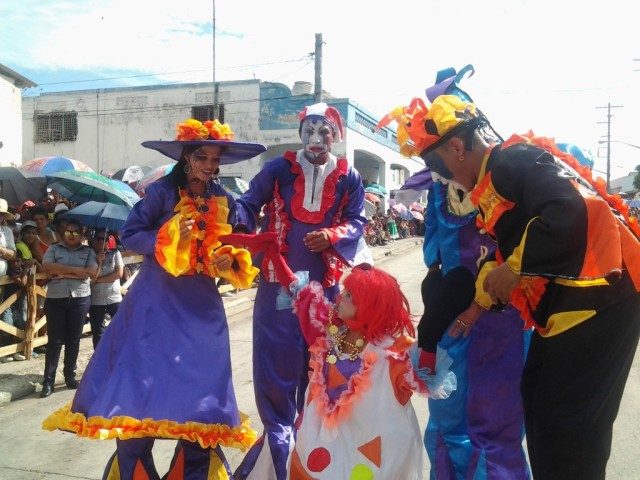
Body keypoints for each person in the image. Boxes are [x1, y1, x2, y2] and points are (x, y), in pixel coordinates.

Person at [382, 90, 640, 479]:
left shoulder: (510, 161)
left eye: (440, 167)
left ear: (457, 147)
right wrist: (485, 292)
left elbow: (570, 212)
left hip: (601, 304)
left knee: (567, 430)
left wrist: (513, 268)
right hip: (570, 313)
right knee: (537, 404)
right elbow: (504, 258)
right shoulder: (494, 181)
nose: (441, 178)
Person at [43, 118, 265, 479]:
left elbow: (240, 243)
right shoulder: (162, 193)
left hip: (202, 308)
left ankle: (194, 472)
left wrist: (230, 257)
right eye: (202, 156)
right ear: (187, 157)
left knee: (202, 393)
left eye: (215, 157)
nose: (210, 164)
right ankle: (134, 471)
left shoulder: (224, 198)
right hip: (155, 303)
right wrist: (165, 238)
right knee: (140, 388)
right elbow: (131, 235)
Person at [234, 103, 366, 479]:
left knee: (321, 370)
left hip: (325, 287)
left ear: (336, 136)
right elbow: (246, 203)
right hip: (279, 282)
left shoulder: (349, 176)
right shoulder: (279, 168)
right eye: (309, 129)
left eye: (324, 131)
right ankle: (278, 452)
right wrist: (246, 237)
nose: (315, 138)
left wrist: (333, 235)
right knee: (275, 368)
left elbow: (357, 220)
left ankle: (315, 451)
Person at [289, 264, 425, 479]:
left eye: (350, 295)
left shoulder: (393, 353)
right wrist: (274, 254)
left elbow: (425, 374)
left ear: (370, 304)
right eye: (344, 291)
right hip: (318, 447)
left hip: (370, 459)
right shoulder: (332, 336)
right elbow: (298, 293)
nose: (341, 297)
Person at [40, 219, 97, 396]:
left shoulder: (89, 252)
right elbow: (47, 266)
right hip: (56, 298)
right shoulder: (54, 248)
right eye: (68, 232)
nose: (71, 235)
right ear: (63, 233)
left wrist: (63, 273)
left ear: (81, 235)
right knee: (54, 342)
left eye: (75, 232)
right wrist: (77, 272)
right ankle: (48, 381)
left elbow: (92, 272)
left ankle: (69, 376)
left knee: (73, 339)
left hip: (80, 298)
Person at [88, 228, 124, 348]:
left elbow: (118, 274)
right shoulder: (88, 255)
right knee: (98, 332)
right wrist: (98, 262)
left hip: (114, 297)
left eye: (104, 238)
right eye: (98, 238)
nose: (100, 241)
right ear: (92, 240)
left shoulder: (115, 253)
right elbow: (89, 278)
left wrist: (98, 280)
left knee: (120, 327)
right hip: (95, 299)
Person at [0, 198, 19, 363]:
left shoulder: (6, 231)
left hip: (5, 278)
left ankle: (5, 348)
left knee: (6, 310)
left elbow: (13, 254)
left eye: (1, 215)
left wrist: (1, 250)